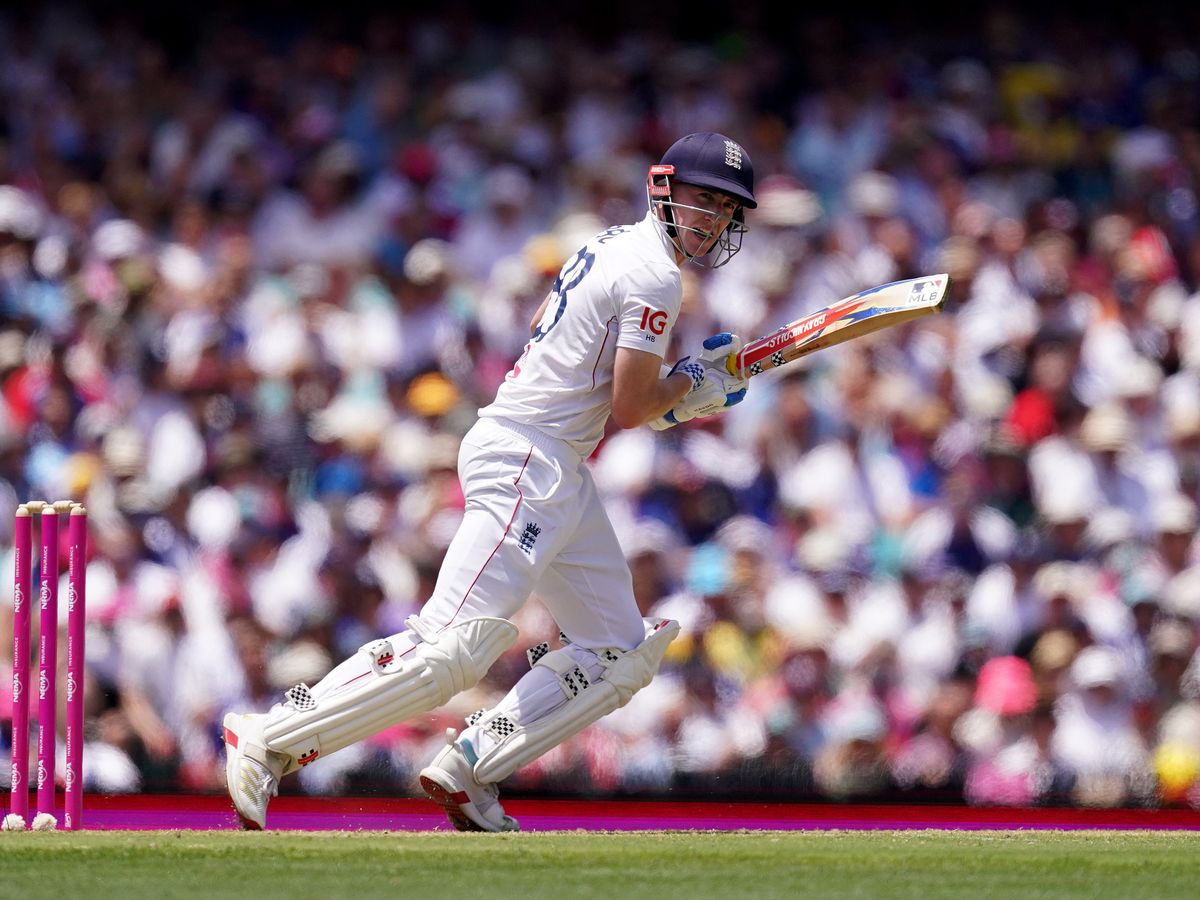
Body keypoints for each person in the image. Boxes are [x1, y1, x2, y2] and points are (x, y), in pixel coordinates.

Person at [221, 132, 758, 831]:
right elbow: (633, 407)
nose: (712, 218)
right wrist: (691, 383)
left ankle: (473, 763)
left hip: (555, 464)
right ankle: (268, 739)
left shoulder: (613, 245)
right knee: (452, 647)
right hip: (528, 460)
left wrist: (684, 389)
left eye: (725, 208)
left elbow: (614, 396)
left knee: (617, 650)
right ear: (663, 188)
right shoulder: (656, 274)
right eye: (703, 198)